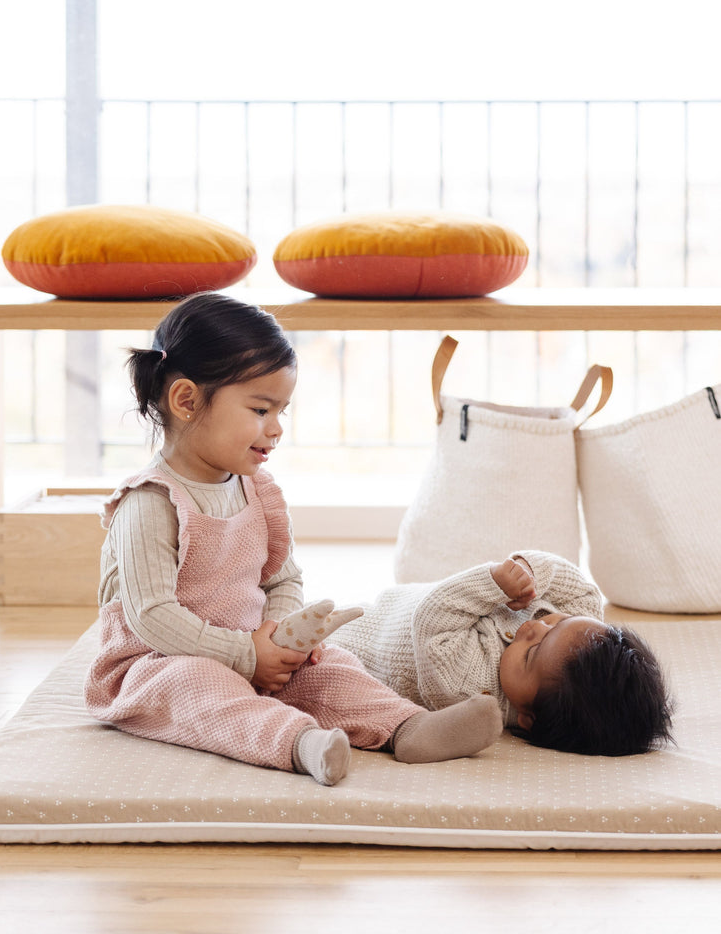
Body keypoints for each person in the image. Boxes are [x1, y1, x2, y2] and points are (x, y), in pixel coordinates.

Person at [84, 292, 502, 786]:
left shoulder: (258, 491)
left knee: (334, 666)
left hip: (254, 653)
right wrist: (244, 656)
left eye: (282, 410)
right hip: (158, 663)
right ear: (187, 400)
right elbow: (152, 617)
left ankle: (407, 727)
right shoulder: (150, 503)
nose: (277, 428)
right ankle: (302, 744)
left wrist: (283, 638)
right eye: (261, 409)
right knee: (200, 684)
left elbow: (282, 577)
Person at [328, 551, 674, 756]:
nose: (533, 627)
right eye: (554, 621)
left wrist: (492, 581)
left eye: (530, 653)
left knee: (311, 667)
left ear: (528, 717)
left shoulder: (469, 685)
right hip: (387, 607)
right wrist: (527, 568)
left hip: (360, 643)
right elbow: (580, 587)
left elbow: (432, 618)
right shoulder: (577, 637)